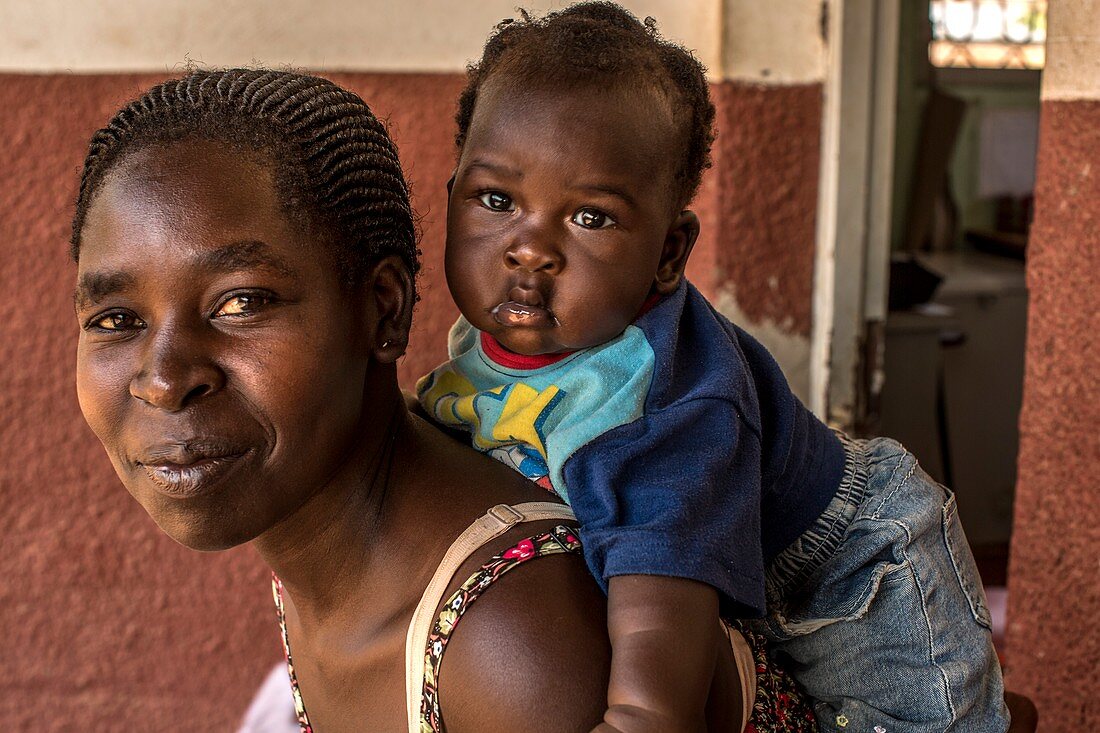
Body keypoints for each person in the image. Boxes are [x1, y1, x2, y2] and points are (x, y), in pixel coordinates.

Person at [71, 68, 812, 732]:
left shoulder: (512, 641)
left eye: (241, 303)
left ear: (384, 311)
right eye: (115, 320)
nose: (164, 379)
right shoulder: (318, 545)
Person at [416, 4, 1011, 731]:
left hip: (852, 578)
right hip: (732, 559)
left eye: (590, 217)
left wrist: (637, 715)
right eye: (497, 200)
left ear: (669, 253)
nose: (529, 247)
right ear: (451, 203)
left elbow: (658, 615)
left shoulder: (663, 405)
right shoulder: (485, 344)